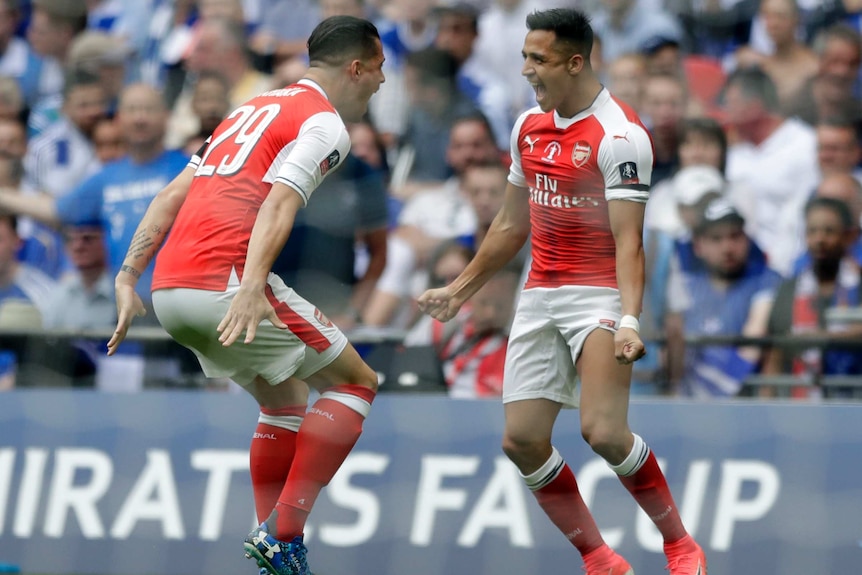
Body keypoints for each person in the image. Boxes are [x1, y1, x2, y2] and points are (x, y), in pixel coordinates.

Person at [418, 9, 706, 575]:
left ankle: (679, 543)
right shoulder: (528, 126)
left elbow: (630, 242)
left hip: (598, 295)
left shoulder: (621, 137)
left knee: (602, 430)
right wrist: (458, 290)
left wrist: (629, 318)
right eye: (525, 56)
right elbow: (508, 225)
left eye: (538, 59)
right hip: (539, 294)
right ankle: (599, 557)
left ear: (575, 62)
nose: (526, 69)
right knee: (521, 441)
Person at [106, 15, 385, 575]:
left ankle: (271, 553)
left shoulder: (247, 110)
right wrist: (254, 285)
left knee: (284, 401)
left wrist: (127, 277)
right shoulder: (325, 124)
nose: (380, 84)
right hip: (227, 281)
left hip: (169, 292)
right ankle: (284, 533)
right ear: (355, 68)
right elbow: (281, 201)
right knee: (357, 382)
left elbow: (171, 195)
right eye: (377, 71)